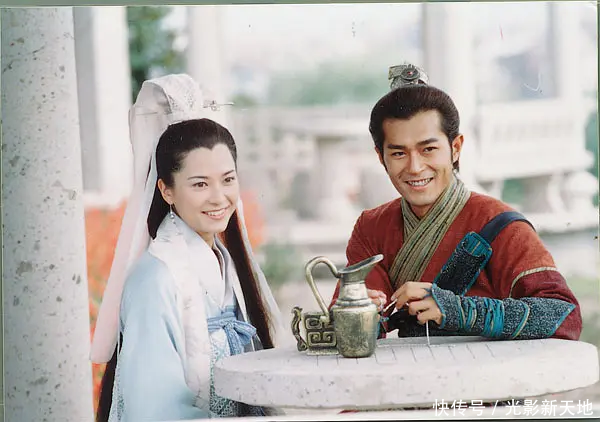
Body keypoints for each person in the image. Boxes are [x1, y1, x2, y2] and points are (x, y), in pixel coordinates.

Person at [330, 64, 582, 341]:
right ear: (381, 157)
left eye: (428, 149)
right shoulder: (372, 227)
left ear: (455, 148)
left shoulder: (500, 224)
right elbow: (347, 328)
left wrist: (459, 310)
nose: (415, 167)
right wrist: (357, 315)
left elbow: (564, 316)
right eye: (399, 153)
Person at [90, 74, 285, 421]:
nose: (219, 198)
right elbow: (154, 410)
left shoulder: (224, 264)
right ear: (166, 190)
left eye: (228, 180)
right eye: (199, 184)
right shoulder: (155, 279)